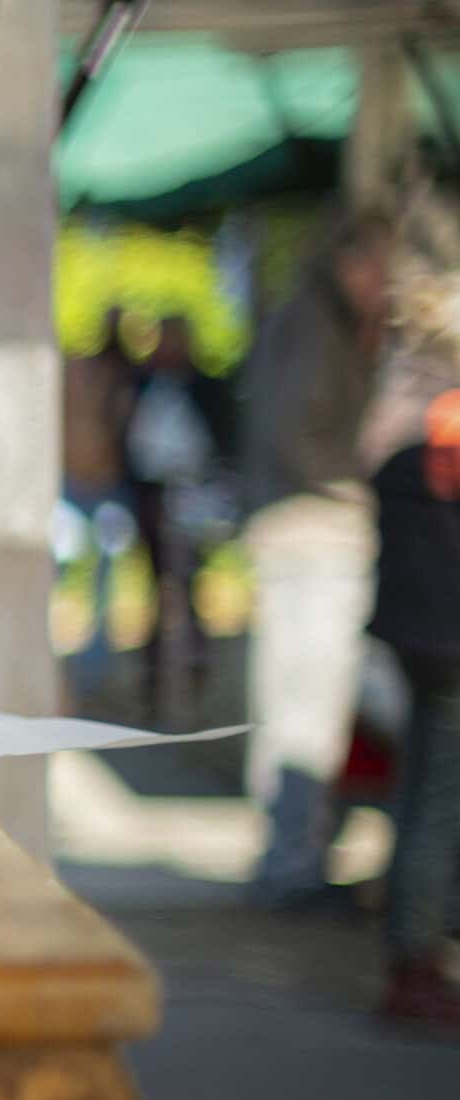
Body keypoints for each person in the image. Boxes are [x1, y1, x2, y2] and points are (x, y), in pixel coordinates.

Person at [239, 213, 395, 908]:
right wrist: (365, 489)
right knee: (306, 710)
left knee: (301, 708)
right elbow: (295, 433)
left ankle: (292, 857)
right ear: (347, 262)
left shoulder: (315, 322)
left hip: (304, 532)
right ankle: (291, 862)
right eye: (377, 268)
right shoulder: (313, 325)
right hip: (313, 535)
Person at [362, 321, 460, 1028]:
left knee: (423, 796)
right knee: (435, 803)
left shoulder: (404, 434)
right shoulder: (440, 433)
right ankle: (416, 962)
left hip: (416, 640)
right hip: (444, 643)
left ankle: (415, 954)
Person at [122, 314, 236, 717]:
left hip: (195, 495)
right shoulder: (143, 383)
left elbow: (224, 435)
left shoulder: (204, 386)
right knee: (158, 589)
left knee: (189, 586)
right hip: (153, 495)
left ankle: (193, 671)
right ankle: (158, 681)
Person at [59, 305, 140, 685]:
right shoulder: (83, 372)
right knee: (60, 566)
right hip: (78, 483)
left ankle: (93, 666)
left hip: (106, 483)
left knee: (103, 578)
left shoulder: (122, 377)